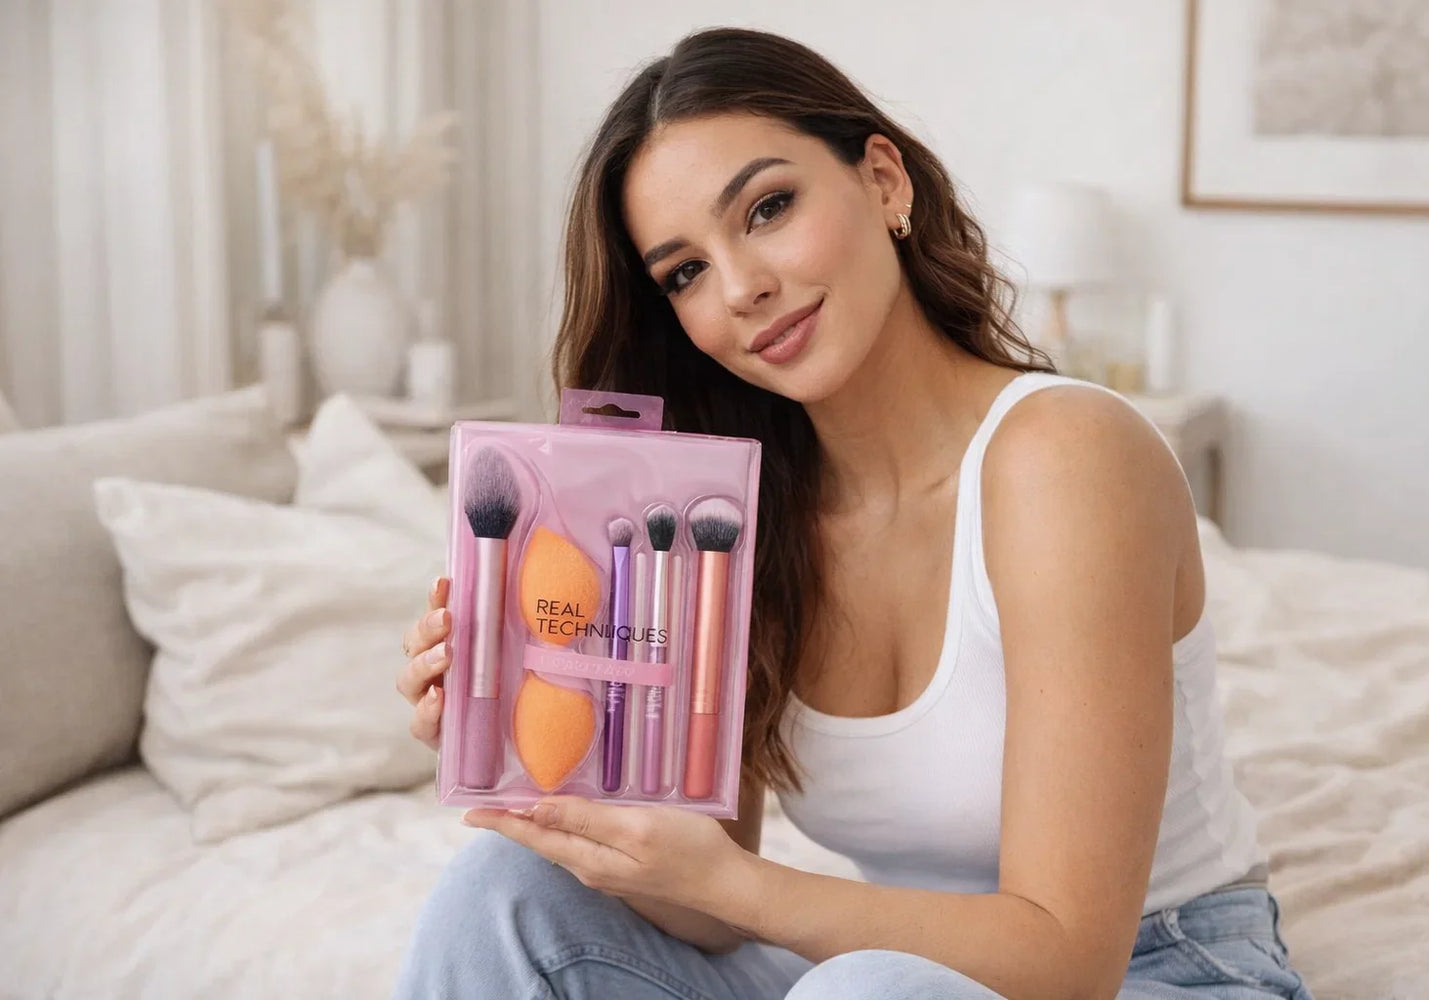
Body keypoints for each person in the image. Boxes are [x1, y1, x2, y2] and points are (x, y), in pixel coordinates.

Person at [390, 26, 1315, 1000]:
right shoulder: (736, 518)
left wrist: (743, 885)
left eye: (768, 207)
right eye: (685, 272)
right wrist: (522, 756)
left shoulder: (1068, 459)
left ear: (884, 180)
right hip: (894, 973)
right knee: (503, 894)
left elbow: (1069, 958)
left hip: (1160, 967)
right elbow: (704, 902)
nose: (743, 287)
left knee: (863, 991)